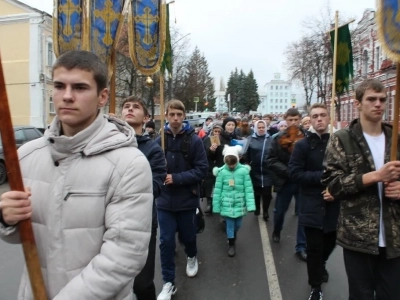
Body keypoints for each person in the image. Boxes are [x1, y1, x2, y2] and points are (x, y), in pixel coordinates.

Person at [0, 50, 153, 299]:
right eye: (60, 86)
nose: (67, 96)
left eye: (80, 88)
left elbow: (124, 255)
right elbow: (26, 236)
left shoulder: (128, 164)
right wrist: (7, 219)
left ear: (102, 96)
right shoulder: (26, 156)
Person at [321, 79, 400, 300]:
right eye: (372, 99)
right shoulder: (342, 139)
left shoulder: (396, 138)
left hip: (394, 236)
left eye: (383, 100)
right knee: (361, 295)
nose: (379, 105)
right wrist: (375, 176)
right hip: (358, 237)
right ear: (358, 103)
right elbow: (333, 184)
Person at [156, 100, 208, 300]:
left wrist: (176, 178)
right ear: (166, 115)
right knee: (166, 241)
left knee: (188, 237)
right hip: (164, 201)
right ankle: (168, 282)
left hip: (187, 199)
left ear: (184, 115)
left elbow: (201, 169)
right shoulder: (159, 139)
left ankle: (192, 255)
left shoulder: (193, 140)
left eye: (179, 114)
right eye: (172, 114)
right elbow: (151, 165)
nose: (175, 118)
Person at [289, 103, 339, 300]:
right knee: (314, 248)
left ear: (329, 118)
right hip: (311, 204)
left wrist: (335, 189)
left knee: (331, 242)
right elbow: (294, 173)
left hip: (334, 203)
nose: (319, 119)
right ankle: (315, 287)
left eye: (323, 115)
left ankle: (322, 264)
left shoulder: (337, 143)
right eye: (315, 116)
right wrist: (322, 177)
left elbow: (346, 172)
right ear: (310, 120)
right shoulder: (302, 145)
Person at [120, 96, 167, 300]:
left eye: (136, 107)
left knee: (142, 283)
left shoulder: (153, 150)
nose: (130, 109)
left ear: (146, 116)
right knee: (115, 283)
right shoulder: (108, 144)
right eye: (126, 107)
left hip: (142, 223)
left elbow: (156, 186)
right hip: (111, 222)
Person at [266, 108, 307, 261]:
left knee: (304, 213)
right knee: (279, 211)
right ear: (285, 119)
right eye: (290, 120)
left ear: (300, 119)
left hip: (302, 181)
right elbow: (270, 160)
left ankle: (301, 246)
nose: (293, 123)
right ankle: (277, 230)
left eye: (296, 119)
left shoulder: (306, 137)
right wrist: (288, 171)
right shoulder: (278, 139)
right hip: (285, 181)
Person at [212, 145, 255, 257]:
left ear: (238, 159)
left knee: (238, 224)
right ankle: (231, 244)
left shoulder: (243, 171)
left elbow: (248, 189)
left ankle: (232, 233)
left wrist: (250, 205)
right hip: (227, 203)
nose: (231, 166)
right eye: (229, 164)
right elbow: (217, 190)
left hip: (240, 203)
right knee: (230, 225)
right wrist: (216, 206)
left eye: (233, 163)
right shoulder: (221, 172)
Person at [245, 120, 273, 221]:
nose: (261, 129)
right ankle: (257, 208)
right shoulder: (250, 139)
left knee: (267, 193)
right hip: (254, 170)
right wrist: (248, 164)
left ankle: (265, 211)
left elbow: (275, 153)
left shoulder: (271, 139)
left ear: (266, 128)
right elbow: (245, 153)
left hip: (268, 171)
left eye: (263, 127)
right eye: (259, 127)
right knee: (256, 191)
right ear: (256, 128)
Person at [203, 123, 223, 213]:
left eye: (219, 131)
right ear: (212, 131)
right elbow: (203, 153)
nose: (217, 133)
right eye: (215, 131)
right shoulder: (207, 140)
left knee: (220, 185)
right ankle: (209, 203)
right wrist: (210, 150)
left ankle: (219, 203)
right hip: (210, 166)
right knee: (209, 185)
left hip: (221, 165)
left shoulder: (223, 140)